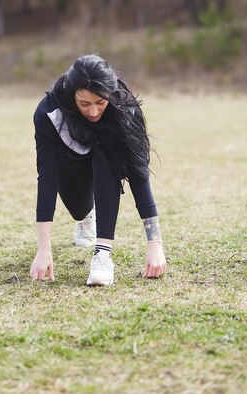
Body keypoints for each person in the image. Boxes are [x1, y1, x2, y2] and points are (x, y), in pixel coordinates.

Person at [30, 54, 167, 286]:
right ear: (72, 95)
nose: (93, 112)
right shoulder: (48, 113)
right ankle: (86, 217)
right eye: (85, 104)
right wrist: (44, 249)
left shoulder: (125, 108)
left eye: (100, 103)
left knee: (105, 152)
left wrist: (155, 244)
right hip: (71, 164)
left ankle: (102, 254)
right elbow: (47, 177)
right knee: (78, 210)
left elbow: (138, 174)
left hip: (107, 163)